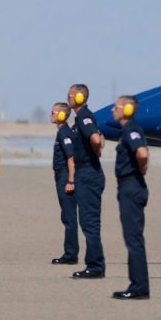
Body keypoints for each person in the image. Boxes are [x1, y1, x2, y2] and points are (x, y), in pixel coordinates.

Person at [110, 95, 150, 299]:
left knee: (134, 239)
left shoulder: (132, 129)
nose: (112, 110)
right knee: (132, 238)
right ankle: (137, 284)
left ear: (125, 110)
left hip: (131, 186)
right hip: (129, 186)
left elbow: (142, 153)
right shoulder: (127, 130)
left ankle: (139, 287)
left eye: (115, 107)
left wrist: (140, 171)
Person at [67, 84, 106, 278]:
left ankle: (95, 266)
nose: (68, 99)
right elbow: (100, 138)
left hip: (88, 174)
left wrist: (95, 154)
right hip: (87, 173)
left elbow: (97, 139)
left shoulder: (84, 116)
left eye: (71, 95)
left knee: (90, 222)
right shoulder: (82, 117)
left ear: (80, 97)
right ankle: (95, 263)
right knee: (87, 221)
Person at [50, 102, 78, 265]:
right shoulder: (62, 132)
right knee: (66, 216)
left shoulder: (64, 134)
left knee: (69, 216)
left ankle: (71, 254)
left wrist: (70, 181)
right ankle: (70, 252)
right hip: (60, 176)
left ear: (61, 115)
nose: (51, 115)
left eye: (53, 112)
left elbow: (71, 158)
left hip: (65, 177)